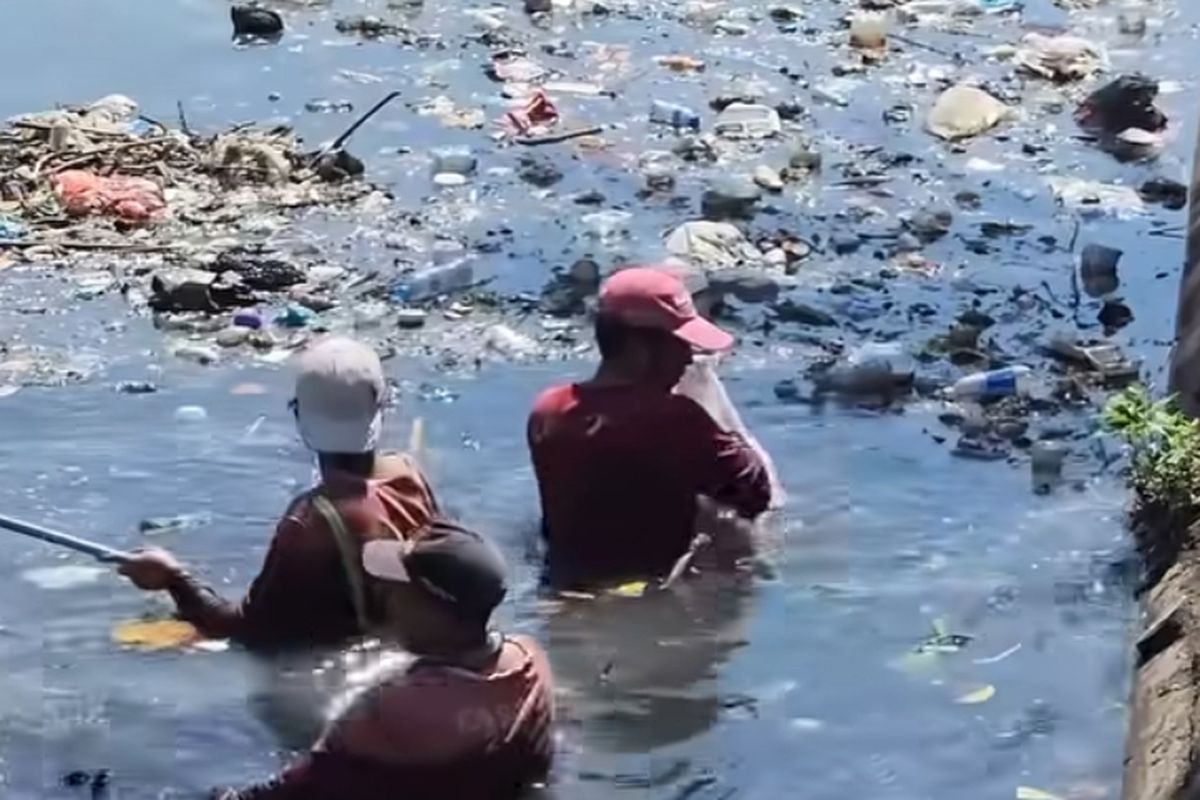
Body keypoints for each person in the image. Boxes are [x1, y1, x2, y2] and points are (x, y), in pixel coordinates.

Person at [119, 336, 439, 650]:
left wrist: (175, 579)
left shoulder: (312, 522)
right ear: (381, 408)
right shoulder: (408, 474)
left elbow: (242, 630)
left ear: (298, 415)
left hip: (348, 670)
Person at [213, 519, 555, 800]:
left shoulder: (392, 707)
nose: (385, 594)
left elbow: (299, 788)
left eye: (400, 589)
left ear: (435, 610)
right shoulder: (531, 661)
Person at [527, 265, 782, 589]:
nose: (688, 359)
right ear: (639, 347)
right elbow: (756, 494)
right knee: (736, 529)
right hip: (651, 587)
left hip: (564, 580)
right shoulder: (675, 419)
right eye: (681, 344)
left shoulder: (547, 408)